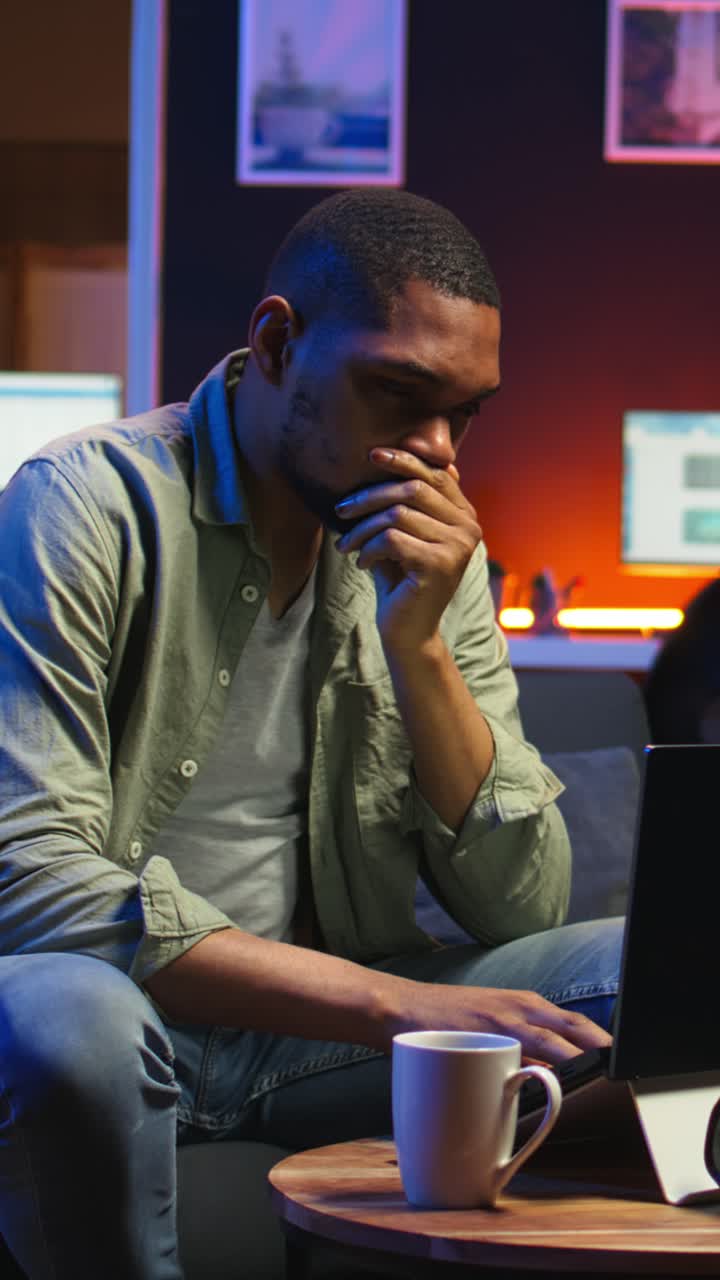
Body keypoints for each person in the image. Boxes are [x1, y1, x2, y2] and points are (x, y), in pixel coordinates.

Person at [0, 189, 622, 1279]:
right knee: (72, 1024)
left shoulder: (433, 547)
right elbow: (29, 879)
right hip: (122, 1009)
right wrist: (401, 1005)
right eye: (398, 392)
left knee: (645, 973)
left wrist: (421, 645)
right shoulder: (84, 503)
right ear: (278, 341)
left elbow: (525, 903)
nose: (432, 450)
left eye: (464, 411)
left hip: (309, 1047)